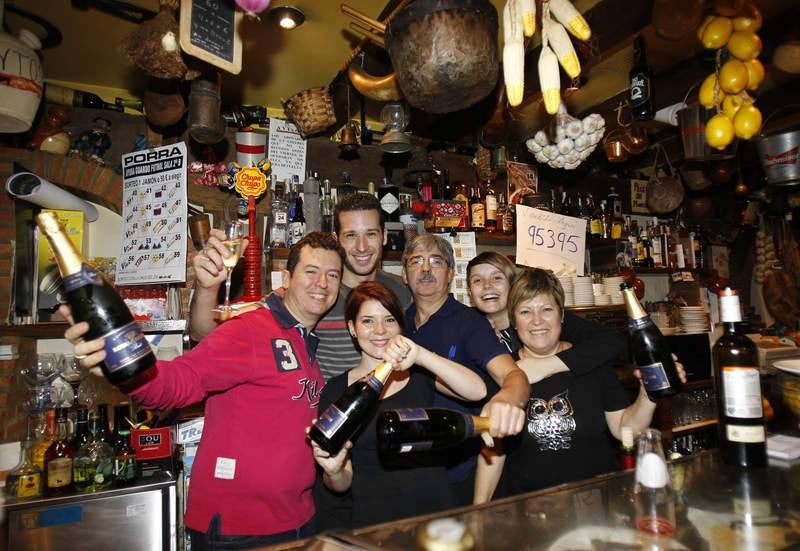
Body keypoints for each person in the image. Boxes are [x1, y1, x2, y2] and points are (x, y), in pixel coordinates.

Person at [62, 233, 345, 548]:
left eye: (332, 275)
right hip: (240, 529)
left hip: (297, 518)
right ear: (288, 278)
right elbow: (179, 382)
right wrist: (122, 368)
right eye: (311, 271)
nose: (322, 282)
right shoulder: (250, 329)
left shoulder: (304, 340)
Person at [473, 268, 659, 503]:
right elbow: (493, 453)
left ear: (562, 316)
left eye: (547, 309)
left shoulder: (591, 363)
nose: (537, 320)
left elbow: (625, 431)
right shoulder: (505, 373)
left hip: (594, 505)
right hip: (529, 511)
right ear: (513, 320)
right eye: (525, 311)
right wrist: (477, 513)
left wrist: (648, 395)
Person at [311, 281, 486, 529]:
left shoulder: (417, 375)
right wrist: (334, 470)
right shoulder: (338, 391)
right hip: (376, 520)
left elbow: (477, 391)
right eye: (368, 321)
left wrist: (422, 356)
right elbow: (340, 484)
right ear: (352, 328)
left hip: (435, 514)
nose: (380, 330)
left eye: (390, 320)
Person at [189, 193, 411, 381]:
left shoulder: (402, 292)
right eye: (351, 235)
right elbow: (205, 333)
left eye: (371, 234)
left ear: (384, 237)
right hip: (329, 413)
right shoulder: (315, 293)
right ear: (337, 239)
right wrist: (207, 289)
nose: (362, 247)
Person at [400, 233, 529, 505]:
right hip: (408, 471)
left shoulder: (471, 324)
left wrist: (506, 400)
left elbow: (513, 375)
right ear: (404, 274)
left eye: (436, 261)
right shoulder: (397, 323)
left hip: (462, 475)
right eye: (416, 261)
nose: (425, 269)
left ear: (450, 275)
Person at [466, 251, 627, 380]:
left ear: (513, 285)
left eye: (497, 278)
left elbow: (613, 341)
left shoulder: (541, 321)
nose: (487, 286)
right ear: (469, 291)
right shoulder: (469, 327)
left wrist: (547, 365)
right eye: (477, 280)